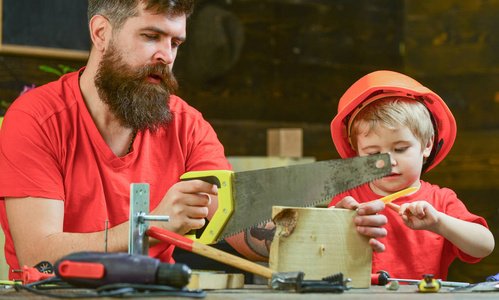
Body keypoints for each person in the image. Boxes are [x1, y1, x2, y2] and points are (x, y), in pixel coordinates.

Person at [0, 0, 388, 280]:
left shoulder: (186, 124)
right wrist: (152, 225)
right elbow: (39, 253)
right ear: (101, 33)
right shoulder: (35, 118)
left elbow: (236, 222)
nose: (166, 55)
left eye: (175, 43)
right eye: (151, 36)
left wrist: (324, 230)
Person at [328, 70, 495, 280]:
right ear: (358, 154)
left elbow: (485, 246)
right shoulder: (348, 199)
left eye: (400, 149)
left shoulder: (440, 200)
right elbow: (315, 251)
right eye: (373, 153)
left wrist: (438, 223)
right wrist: (336, 224)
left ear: (426, 145)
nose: (388, 162)